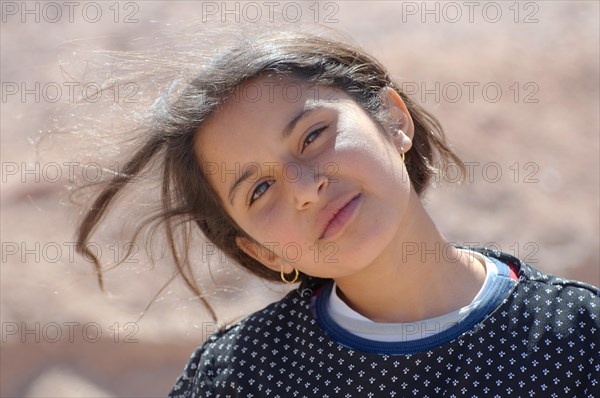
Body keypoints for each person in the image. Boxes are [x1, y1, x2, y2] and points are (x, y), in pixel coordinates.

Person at [75, 30, 600, 397]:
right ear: (259, 249)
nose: (305, 188)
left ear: (394, 120)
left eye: (312, 135)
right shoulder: (239, 378)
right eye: (259, 189)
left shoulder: (579, 340)